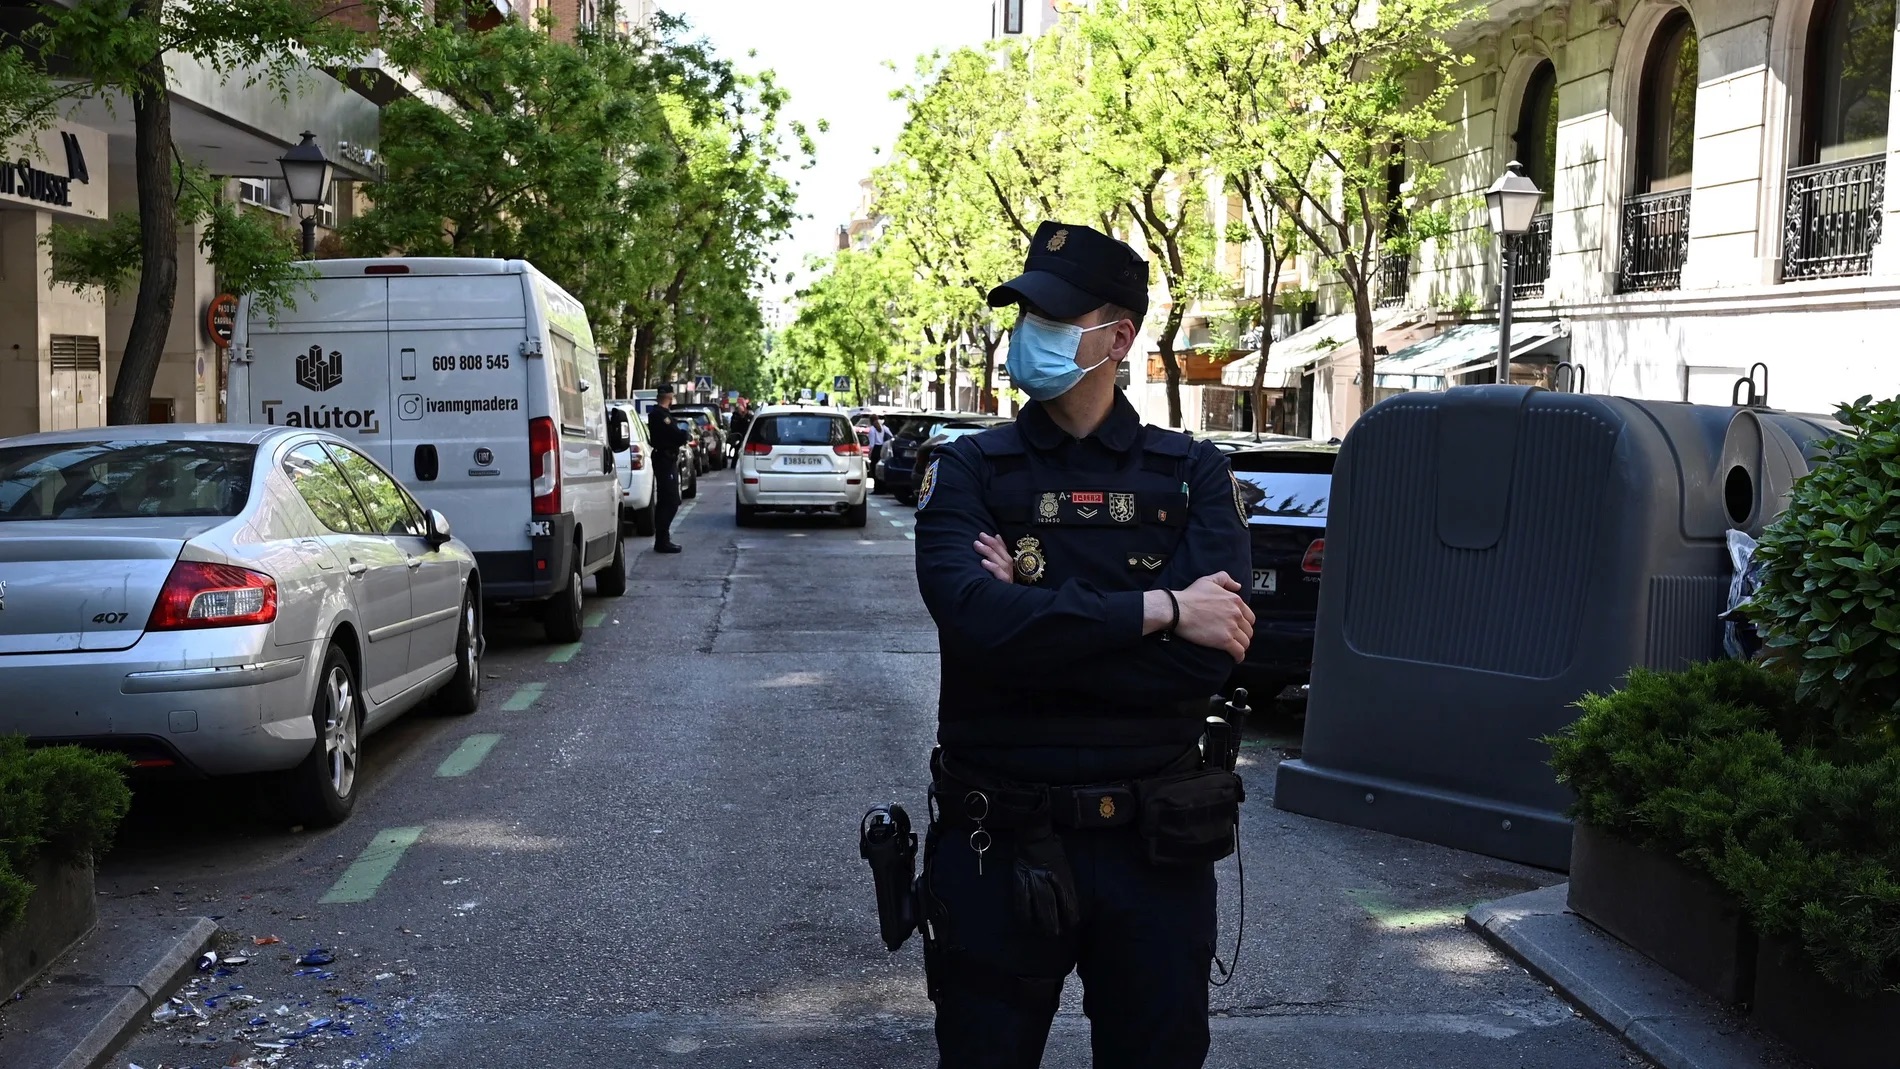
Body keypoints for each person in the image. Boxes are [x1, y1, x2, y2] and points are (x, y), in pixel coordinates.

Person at [912, 221, 1255, 1069]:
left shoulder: (1192, 473)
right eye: (1026, 313)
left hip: (1155, 852)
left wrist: (1035, 616)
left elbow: (1206, 659)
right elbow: (977, 624)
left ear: (1119, 338)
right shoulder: (970, 469)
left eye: (1057, 317)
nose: (1031, 332)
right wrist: (1164, 606)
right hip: (997, 841)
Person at [647, 384, 690, 554]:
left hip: (665, 458)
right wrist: (684, 435)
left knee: (666, 500)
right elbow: (676, 435)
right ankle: (662, 540)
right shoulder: (661, 415)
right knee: (670, 501)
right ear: (670, 397)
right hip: (665, 459)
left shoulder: (659, 414)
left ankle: (662, 539)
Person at [728, 399, 754, 464]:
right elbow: (734, 426)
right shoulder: (735, 416)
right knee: (737, 449)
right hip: (738, 435)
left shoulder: (748, 416)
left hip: (746, 436)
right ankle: (734, 463)